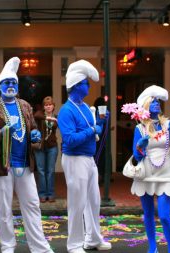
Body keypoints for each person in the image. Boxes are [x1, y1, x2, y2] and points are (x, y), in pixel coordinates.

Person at [0, 57, 54, 253]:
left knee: (32, 205)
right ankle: (7, 247)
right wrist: (5, 130)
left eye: (13, 83)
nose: (10, 86)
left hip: (25, 164)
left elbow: (33, 132)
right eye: (7, 83)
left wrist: (35, 135)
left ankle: (39, 247)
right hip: (2, 166)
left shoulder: (25, 105)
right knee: (4, 209)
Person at [57, 60, 111, 253]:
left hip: (88, 158)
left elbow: (94, 131)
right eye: (86, 83)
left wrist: (102, 123)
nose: (89, 86)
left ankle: (93, 239)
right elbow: (70, 139)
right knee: (77, 202)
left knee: (93, 201)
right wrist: (92, 130)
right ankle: (74, 245)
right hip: (74, 159)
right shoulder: (66, 110)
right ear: (76, 86)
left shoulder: (86, 107)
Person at [131, 85, 170, 253]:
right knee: (148, 214)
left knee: (163, 215)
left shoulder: (168, 125)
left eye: (158, 101)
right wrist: (140, 146)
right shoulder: (140, 128)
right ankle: (153, 246)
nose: (156, 103)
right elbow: (136, 156)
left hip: (165, 172)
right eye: (153, 101)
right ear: (146, 105)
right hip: (146, 173)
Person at [33, 96, 58, 203]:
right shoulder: (40, 115)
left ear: (53, 106)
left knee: (50, 171)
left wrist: (52, 119)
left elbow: (58, 124)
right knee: (41, 171)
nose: (48, 106)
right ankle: (42, 194)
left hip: (52, 147)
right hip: (40, 147)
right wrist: (47, 118)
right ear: (43, 107)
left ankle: (50, 194)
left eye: (50, 104)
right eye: (46, 105)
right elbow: (36, 115)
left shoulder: (56, 117)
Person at [93, 96, 109, 185]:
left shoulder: (99, 113)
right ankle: (100, 176)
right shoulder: (97, 114)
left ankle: (100, 176)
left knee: (98, 157)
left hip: (99, 137)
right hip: (100, 137)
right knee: (100, 157)